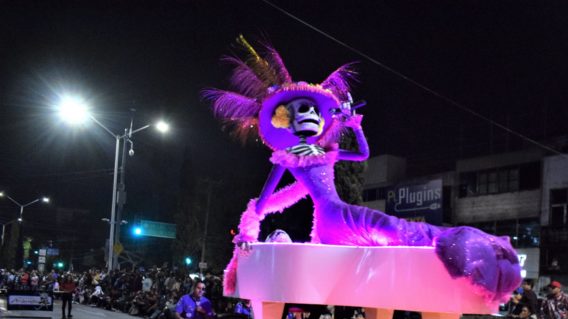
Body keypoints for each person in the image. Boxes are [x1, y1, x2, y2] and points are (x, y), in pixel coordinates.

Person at [210, 38, 521, 303]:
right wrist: (248, 234)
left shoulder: (324, 152)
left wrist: (355, 127)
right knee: (401, 231)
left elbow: (362, 154)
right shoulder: (287, 157)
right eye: (302, 110)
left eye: (314, 111)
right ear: (285, 119)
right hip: (336, 218)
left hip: (334, 222)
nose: (311, 115)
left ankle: (468, 252)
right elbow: (264, 201)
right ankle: (468, 249)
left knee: (396, 240)